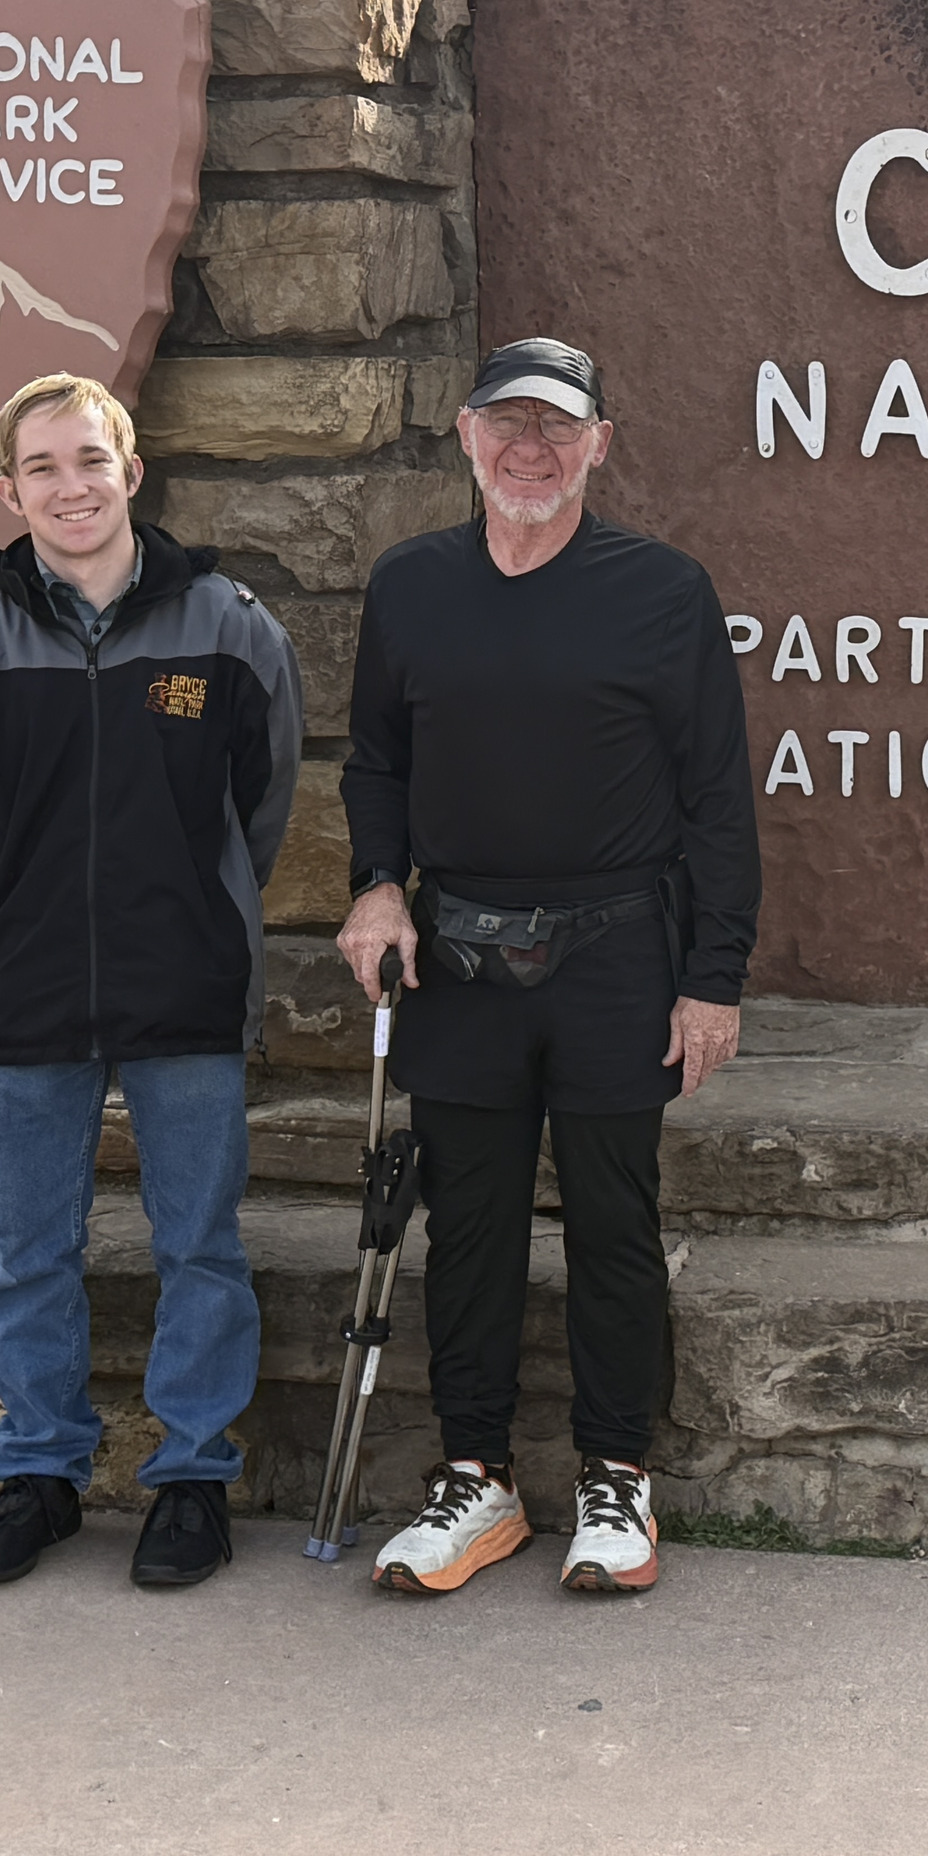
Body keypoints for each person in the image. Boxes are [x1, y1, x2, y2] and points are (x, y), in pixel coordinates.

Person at [337, 335, 761, 1598]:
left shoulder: (663, 592)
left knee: (613, 1223)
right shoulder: (409, 585)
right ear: (467, 436)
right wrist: (376, 884)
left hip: (618, 952)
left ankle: (615, 1477)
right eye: (507, 423)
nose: (531, 448)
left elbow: (716, 797)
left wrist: (714, 976)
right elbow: (376, 761)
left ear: (597, 446)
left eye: (556, 426)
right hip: (458, 954)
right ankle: (475, 1480)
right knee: (466, 1227)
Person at [0, 371, 302, 1590]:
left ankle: (192, 1477)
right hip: (27, 990)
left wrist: (193, 895)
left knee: (200, 1244)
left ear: (130, 471)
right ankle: (39, 1473)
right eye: (41, 466)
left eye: (88, 459)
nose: (67, 486)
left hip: (186, 982)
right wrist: (24, 900)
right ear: (8, 489)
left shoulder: (231, 629)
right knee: (29, 1249)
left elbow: (261, 801)